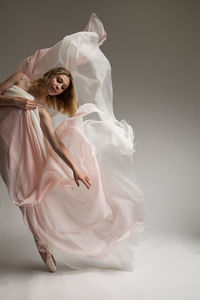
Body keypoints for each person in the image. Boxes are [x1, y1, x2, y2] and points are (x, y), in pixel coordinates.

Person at [0, 12, 145, 273]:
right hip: (5, 143)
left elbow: (55, 142)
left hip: (24, 152)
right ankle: (42, 238)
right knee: (24, 194)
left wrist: (74, 168)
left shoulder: (42, 110)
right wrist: (16, 101)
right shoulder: (20, 79)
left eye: (63, 88)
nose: (58, 87)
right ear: (51, 75)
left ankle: (43, 240)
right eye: (59, 80)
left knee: (30, 197)